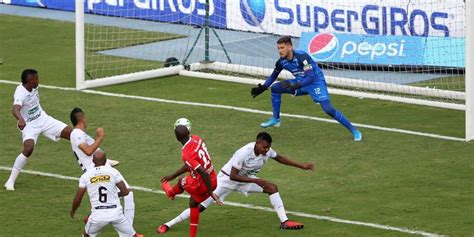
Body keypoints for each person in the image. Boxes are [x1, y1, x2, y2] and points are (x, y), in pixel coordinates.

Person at [157, 132, 313, 234]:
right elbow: (233, 176)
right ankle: (169, 224)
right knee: (199, 207)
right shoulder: (244, 152)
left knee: (272, 188)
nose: (267, 150)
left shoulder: (266, 150)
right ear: (257, 143)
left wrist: (302, 166)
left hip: (244, 181)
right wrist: (255, 180)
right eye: (265, 147)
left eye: (268, 148)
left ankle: (284, 222)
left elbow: (279, 158)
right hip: (225, 181)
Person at [251, 36, 362, 141]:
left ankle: (354, 131)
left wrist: (295, 86)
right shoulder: (281, 62)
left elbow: (311, 77)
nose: (280, 51)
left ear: (290, 47)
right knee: (275, 88)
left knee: (328, 109)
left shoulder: (302, 57)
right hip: (299, 83)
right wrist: (264, 87)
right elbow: (273, 75)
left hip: (315, 83)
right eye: (278, 48)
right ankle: (276, 119)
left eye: (282, 48)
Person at [4, 69, 72, 191]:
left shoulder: (33, 87)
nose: (38, 81)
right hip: (29, 125)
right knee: (28, 149)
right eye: (36, 79)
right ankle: (10, 181)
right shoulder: (20, 92)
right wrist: (20, 119)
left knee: (72, 133)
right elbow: (15, 109)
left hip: (43, 118)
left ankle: (96, 156)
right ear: (30, 81)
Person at [69, 107, 135, 226]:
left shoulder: (80, 134)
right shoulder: (76, 133)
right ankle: (129, 232)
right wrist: (99, 137)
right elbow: (88, 151)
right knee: (128, 193)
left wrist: (108, 161)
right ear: (82, 118)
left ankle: (91, 218)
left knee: (113, 194)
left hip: (101, 167)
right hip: (96, 170)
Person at [160, 119, 222, 237]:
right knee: (193, 203)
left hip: (202, 182)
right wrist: (172, 175)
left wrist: (211, 193)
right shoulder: (197, 138)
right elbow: (191, 164)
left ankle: (171, 193)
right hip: (213, 177)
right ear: (189, 132)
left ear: (177, 138)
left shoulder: (186, 153)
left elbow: (202, 172)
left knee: (182, 182)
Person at [70, 151, 142, 237]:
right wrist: (116, 195)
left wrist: (73, 211)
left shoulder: (86, 176)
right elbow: (125, 192)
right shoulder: (113, 172)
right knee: (132, 236)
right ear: (105, 161)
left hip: (98, 215)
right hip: (116, 214)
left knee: (86, 235)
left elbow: (78, 198)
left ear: (93, 161)